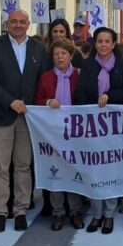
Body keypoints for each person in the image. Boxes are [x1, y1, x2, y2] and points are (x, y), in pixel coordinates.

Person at [0, 9, 49, 233]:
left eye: (22, 22)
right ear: (7, 24)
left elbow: (44, 80)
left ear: (28, 24)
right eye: (14, 22)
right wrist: (10, 101)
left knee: (23, 165)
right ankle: (1, 211)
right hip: (2, 115)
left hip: (29, 117)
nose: (18, 25)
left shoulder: (39, 48)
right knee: (0, 166)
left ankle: (21, 209)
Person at [75, 26, 123, 234]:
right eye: (100, 41)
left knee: (112, 170)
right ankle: (96, 213)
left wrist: (110, 96)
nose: (103, 45)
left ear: (114, 44)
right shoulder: (88, 66)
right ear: (95, 43)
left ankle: (109, 214)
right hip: (94, 127)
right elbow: (80, 93)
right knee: (95, 171)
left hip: (115, 127)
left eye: (108, 41)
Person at [36, 37, 84, 231]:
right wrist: (48, 102)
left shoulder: (79, 75)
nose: (60, 57)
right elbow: (37, 99)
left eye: (63, 53)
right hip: (53, 132)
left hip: (75, 131)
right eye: (56, 54)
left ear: (71, 55)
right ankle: (58, 212)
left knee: (73, 170)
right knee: (55, 170)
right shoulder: (46, 77)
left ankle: (75, 211)